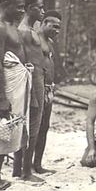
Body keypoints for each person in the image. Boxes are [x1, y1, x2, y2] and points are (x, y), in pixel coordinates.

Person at [0, 0, 29, 191]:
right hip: (6, 85)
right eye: (18, 6)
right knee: (1, 128)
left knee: (12, 128)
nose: (22, 10)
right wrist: (2, 97)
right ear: (5, 5)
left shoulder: (13, 23)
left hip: (17, 82)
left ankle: (3, 174)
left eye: (23, 7)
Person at [15, 0, 45, 182]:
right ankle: (26, 172)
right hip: (33, 82)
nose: (43, 11)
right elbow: (24, 62)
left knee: (32, 125)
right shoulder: (24, 31)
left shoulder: (32, 29)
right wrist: (32, 91)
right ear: (29, 8)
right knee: (32, 126)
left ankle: (19, 169)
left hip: (40, 80)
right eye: (40, 8)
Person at [33, 10, 62, 174]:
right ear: (44, 23)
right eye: (54, 26)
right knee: (33, 128)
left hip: (49, 89)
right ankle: (24, 166)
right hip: (38, 89)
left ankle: (38, 164)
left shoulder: (49, 41)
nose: (57, 30)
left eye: (59, 28)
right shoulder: (34, 39)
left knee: (44, 127)